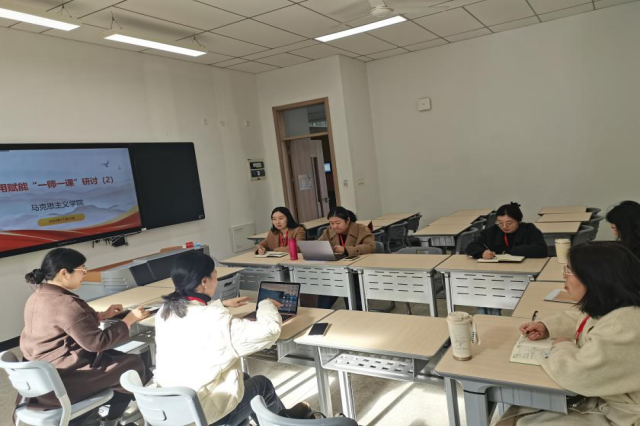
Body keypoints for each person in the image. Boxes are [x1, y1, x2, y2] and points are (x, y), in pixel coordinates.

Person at [153, 251, 313, 425]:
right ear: (204, 282)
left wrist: (221, 304)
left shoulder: (165, 312)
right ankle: (283, 422)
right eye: (215, 276)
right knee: (262, 384)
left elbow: (195, 318)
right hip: (201, 415)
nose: (216, 281)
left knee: (244, 378)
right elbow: (269, 331)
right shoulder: (215, 320)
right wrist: (266, 304)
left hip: (169, 408)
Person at [497, 242, 640, 426]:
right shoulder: (619, 305)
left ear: (595, 278)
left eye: (570, 271)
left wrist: (562, 346)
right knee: (520, 411)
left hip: (623, 418)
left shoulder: (624, 326)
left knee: (522, 417)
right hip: (607, 400)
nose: (564, 276)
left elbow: (577, 374)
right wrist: (547, 326)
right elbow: (586, 322)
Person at [20, 248, 151, 426]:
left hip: (41, 377)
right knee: (133, 364)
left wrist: (100, 316)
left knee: (118, 359)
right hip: (64, 380)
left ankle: (112, 415)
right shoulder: (66, 303)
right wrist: (129, 320)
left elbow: (64, 325)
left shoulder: (37, 297)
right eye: (82, 269)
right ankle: (118, 417)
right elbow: (97, 343)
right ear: (64, 273)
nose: (85, 274)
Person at [466, 202, 547, 315]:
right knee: (483, 290)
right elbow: (471, 246)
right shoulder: (492, 231)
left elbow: (541, 249)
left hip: (523, 275)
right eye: (500, 223)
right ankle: (489, 318)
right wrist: (482, 252)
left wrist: (510, 251)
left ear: (518, 220)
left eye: (509, 223)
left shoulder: (529, 230)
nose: (504, 226)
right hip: (497, 277)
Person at [317, 206, 375, 309]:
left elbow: (370, 247)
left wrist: (346, 250)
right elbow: (318, 245)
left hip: (357, 271)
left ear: (347, 220)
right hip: (336, 270)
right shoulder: (328, 231)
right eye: (331, 223)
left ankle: (356, 312)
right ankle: (322, 312)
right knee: (326, 286)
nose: (334, 226)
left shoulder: (361, 229)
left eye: (338, 223)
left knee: (353, 288)